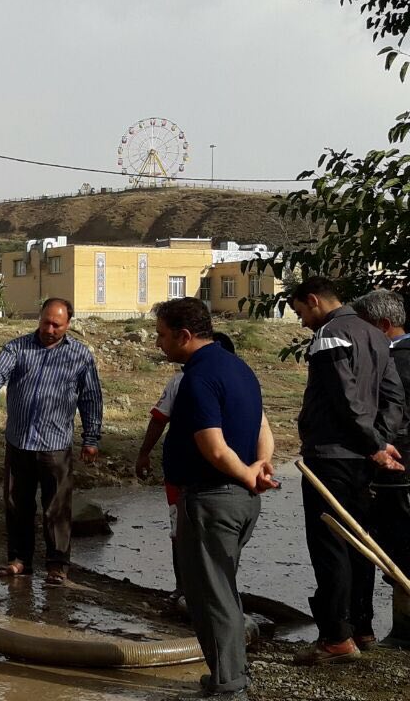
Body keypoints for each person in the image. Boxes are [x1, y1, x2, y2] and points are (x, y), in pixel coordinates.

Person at [153, 298, 276, 699]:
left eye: (162, 335)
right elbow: (264, 429)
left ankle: (228, 685)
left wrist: (246, 473)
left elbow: (214, 447)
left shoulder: (198, 378)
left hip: (212, 499)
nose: (158, 343)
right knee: (222, 589)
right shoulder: (240, 369)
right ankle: (230, 673)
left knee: (210, 596)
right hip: (241, 501)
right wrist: (261, 467)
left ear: (184, 335)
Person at [290, 276, 405, 664]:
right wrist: (381, 441)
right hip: (360, 461)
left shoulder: (330, 334)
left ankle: (336, 637)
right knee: (358, 541)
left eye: (301, 312)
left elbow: (345, 398)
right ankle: (361, 627)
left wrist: (374, 446)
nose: (302, 321)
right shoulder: (376, 335)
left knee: (331, 546)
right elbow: (393, 398)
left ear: (313, 301)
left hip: (331, 457)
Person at [0, 297, 102, 585]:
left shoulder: (79, 356)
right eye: (45, 322)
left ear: (68, 324)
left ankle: (57, 565)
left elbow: (91, 398)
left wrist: (91, 438)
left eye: (57, 324)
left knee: (56, 507)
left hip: (55, 445)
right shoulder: (18, 347)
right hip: (19, 442)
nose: (50, 329)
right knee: (17, 504)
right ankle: (20, 560)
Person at [137, 331, 237, 600]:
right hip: (195, 473)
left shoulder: (195, 380)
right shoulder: (185, 381)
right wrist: (144, 453)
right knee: (186, 531)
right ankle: (190, 591)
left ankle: (201, 592)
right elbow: (159, 419)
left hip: (208, 473)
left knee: (195, 532)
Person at [350, 288, 410, 646]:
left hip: (397, 470)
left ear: (384, 326)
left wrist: (375, 446)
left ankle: (404, 631)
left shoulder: (393, 361)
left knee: (399, 552)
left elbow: (391, 415)